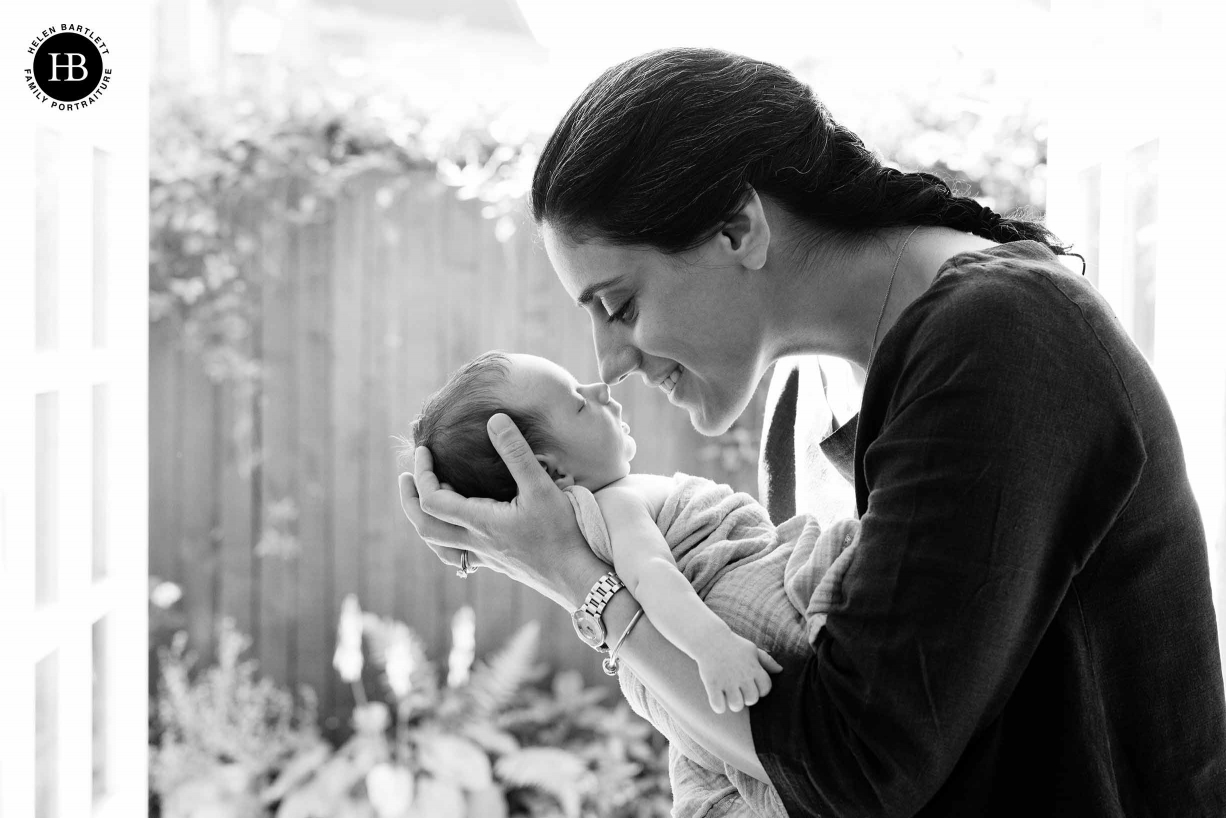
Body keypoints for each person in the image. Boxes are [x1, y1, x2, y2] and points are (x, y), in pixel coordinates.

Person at [398, 47, 1226, 816]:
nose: (607, 364)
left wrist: (583, 583)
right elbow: (773, 727)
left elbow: (856, 766)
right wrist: (553, 548)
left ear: (737, 229)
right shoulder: (809, 390)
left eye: (620, 306)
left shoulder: (1003, 340)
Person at [405, 349, 862, 815]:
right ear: (549, 471)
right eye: (579, 402)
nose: (601, 389)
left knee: (717, 787)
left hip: (673, 687)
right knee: (843, 560)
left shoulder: (584, 531)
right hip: (731, 617)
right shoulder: (617, 501)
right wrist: (714, 646)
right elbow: (652, 577)